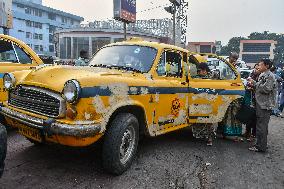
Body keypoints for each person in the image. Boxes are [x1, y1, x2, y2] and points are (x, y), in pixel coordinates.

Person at [248, 59, 277, 152]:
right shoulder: (263, 74)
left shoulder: (270, 76)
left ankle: (260, 147)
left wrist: (254, 84)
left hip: (264, 105)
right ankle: (261, 144)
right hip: (260, 103)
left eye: (260, 65)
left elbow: (266, 89)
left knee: (262, 126)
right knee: (261, 125)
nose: (258, 67)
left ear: (267, 66)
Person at [243, 63, 260, 141]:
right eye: (255, 68)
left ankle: (253, 134)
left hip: (256, 100)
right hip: (249, 98)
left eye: (257, 69)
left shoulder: (260, 77)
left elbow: (259, 88)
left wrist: (252, 87)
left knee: (254, 118)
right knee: (248, 116)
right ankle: (247, 132)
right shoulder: (252, 75)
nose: (256, 70)